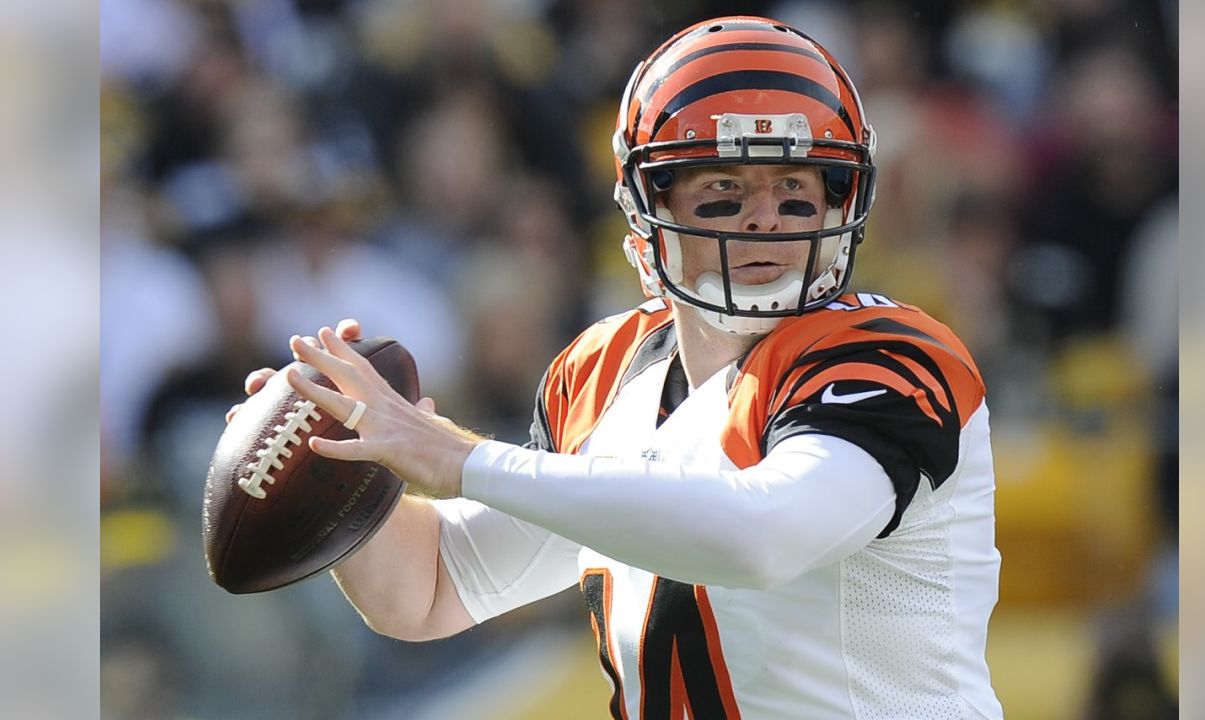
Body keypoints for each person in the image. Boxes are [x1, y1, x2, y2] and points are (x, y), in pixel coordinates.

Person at [233, 17, 1003, 719]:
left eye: (794, 188)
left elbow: (762, 535)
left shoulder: (892, 352)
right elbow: (429, 589)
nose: (765, 218)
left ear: (841, 200)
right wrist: (337, 465)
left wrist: (460, 459)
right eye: (725, 190)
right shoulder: (608, 370)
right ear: (647, 206)